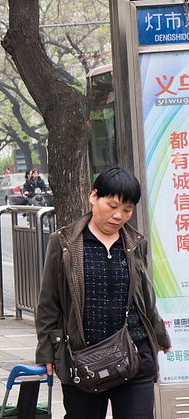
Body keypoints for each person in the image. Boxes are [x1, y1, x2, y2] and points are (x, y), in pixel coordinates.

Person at [35, 167, 171, 419]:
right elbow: (48, 304)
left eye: (127, 210)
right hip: (83, 357)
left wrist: (160, 335)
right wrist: (46, 350)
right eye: (112, 206)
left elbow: (144, 297)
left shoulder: (135, 244)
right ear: (93, 196)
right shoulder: (64, 243)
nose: (119, 216)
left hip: (133, 353)